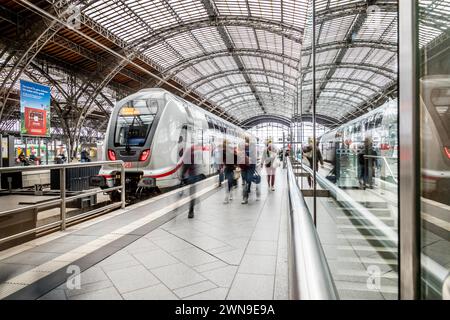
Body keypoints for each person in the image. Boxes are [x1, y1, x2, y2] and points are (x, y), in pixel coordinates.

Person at [239, 136, 257, 204]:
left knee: (248, 179)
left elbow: (254, 156)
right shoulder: (241, 147)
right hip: (243, 166)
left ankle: (245, 197)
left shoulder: (252, 147)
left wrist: (248, 158)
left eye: (246, 141)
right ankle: (246, 192)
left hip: (251, 166)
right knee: (245, 180)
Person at [221, 139, 237, 204]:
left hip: (232, 168)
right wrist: (222, 166)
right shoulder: (223, 152)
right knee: (227, 182)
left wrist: (236, 165)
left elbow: (236, 159)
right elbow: (222, 159)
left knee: (230, 181)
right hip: (227, 168)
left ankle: (231, 192)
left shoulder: (232, 151)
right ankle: (226, 196)